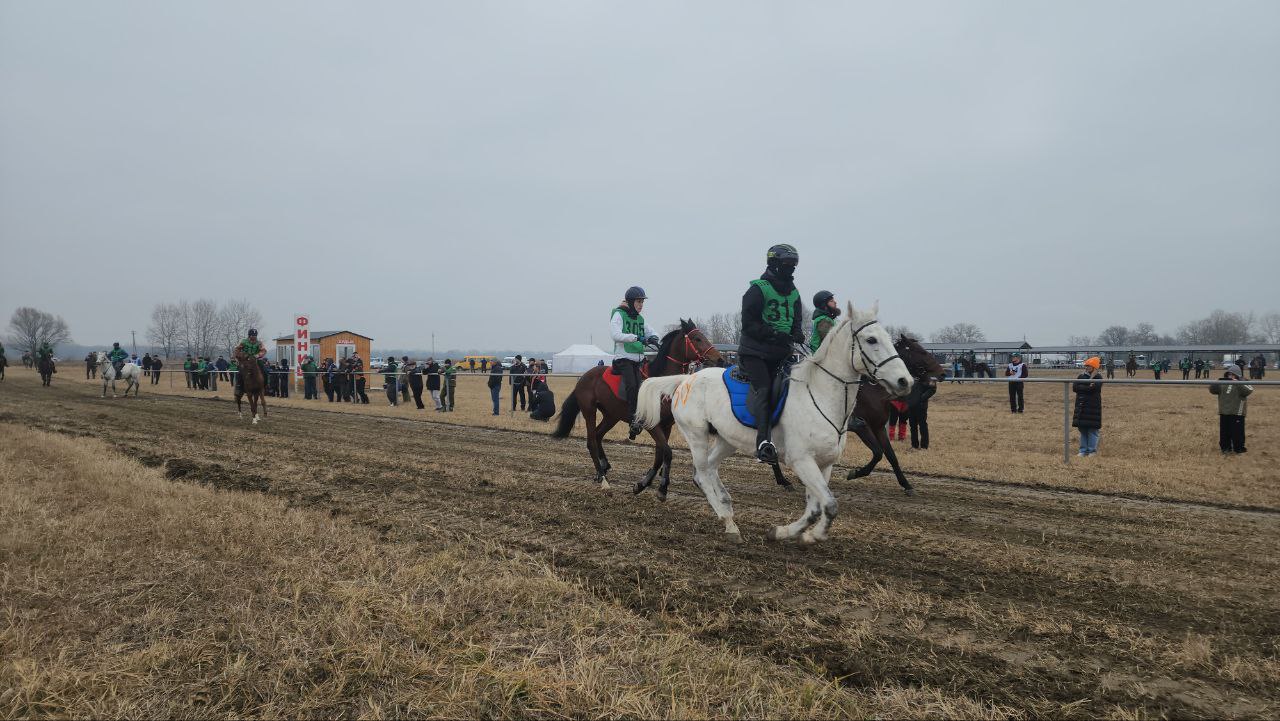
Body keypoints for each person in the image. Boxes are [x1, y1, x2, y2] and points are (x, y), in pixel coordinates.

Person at [739, 244, 803, 463]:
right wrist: (774, 334)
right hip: (755, 353)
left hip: (781, 353)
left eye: (794, 264)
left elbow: (796, 320)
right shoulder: (757, 289)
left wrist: (797, 333)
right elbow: (748, 324)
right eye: (787, 264)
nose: (791, 268)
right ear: (774, 264)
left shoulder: (794, 293)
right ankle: (763, 443)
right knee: (765, 389)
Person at [610, 287, 659, 438]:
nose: (641, 305)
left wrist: (654, 338)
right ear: (631, 302)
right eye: (638, 301)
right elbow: (615, 335)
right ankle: (633, 420)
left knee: (643, 387)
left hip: (638, 360)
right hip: (623, 359)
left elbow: (652, 331)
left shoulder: (640, 319)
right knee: (632, 386)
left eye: (642, 302)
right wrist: (637, 337)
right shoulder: (618, 314)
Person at [1210, 364, 1252, 454]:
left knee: (1237, 433)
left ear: (1237, 375)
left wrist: (1238, 382)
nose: (1230, 376)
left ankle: (1238, 448)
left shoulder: (1243, 383)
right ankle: (1225, 448)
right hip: (1224, 412)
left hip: (1237, 413)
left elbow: (1249, 390)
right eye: (1229, 374)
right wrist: (1215, 383)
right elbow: (1212, 390)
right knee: (1224, 432)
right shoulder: (1223, 383)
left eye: (1233, 374)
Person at [1073, 357, 1103, 457]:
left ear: (1094, 367)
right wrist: (1088, 386)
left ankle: (1091, 451)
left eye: (1089, 366)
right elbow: (1075, 387)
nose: (1086, 367)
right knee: (1083, 429)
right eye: (1086, 366)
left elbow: (1094, 388)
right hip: (1081, 406)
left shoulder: (1098, 377)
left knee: (1092, 430)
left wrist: (1084, 387)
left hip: (1093, 407)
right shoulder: (1080, 376)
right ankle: (1083, 450)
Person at [907, 370, 937, 450]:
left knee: (922, 425)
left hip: (921, 406)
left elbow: (932, 389)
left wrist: (921, 398)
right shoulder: (909, 374)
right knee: (912, 426)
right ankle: (914, 445)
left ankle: (924, 446)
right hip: (911, 405)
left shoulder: (927, 375)